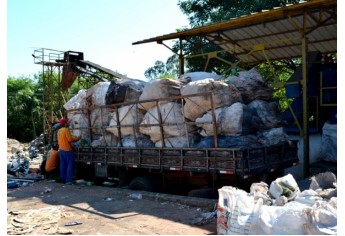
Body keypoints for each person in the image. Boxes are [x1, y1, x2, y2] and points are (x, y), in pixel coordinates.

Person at [57, 118, 81, 184]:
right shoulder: (66, 130)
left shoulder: (59, 131)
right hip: (67, 150)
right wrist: (78, 138)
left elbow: (64, 140)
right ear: (65, 124)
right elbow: (70, 139)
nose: (68, 124)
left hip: (61, 150)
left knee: (63, 165)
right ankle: (69, 180)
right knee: (70, 165)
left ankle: (63, 178)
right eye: (67, 123)